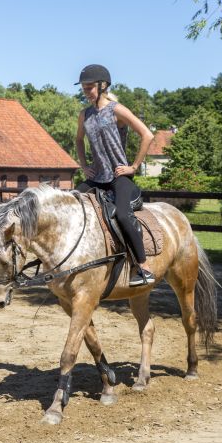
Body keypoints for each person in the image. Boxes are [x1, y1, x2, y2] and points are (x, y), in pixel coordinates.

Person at [74, 64, 155, 286]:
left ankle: (144, 268)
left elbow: (147, 135)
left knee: (121, 214)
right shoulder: (85, 114)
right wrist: (84, 165)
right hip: (96, 176)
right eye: (83, 88)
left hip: (119, 177)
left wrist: (134, 166)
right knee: (71, 201)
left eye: (89, 87)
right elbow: (78, 139)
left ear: (103, 86)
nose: (86, 91)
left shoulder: (116, 110)